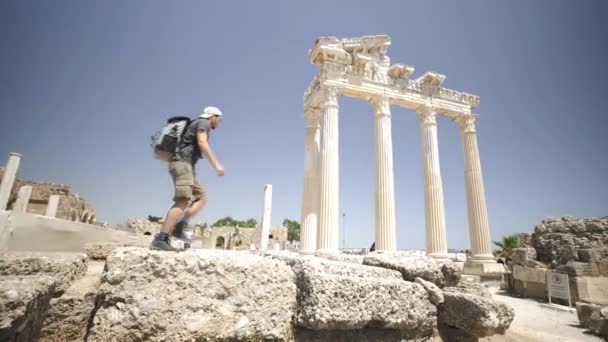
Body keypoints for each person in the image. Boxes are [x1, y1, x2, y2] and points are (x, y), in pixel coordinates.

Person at [150, 106, 224, 251]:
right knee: (183, 200)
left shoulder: (199, 123)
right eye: (219, 120)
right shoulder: (204, 123)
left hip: (185, 166)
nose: (219, 123)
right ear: (213, 116)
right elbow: (203, 143)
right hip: (182, 164)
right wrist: (217, 165)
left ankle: (179, 225)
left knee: (201, 196)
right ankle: (161, 238)